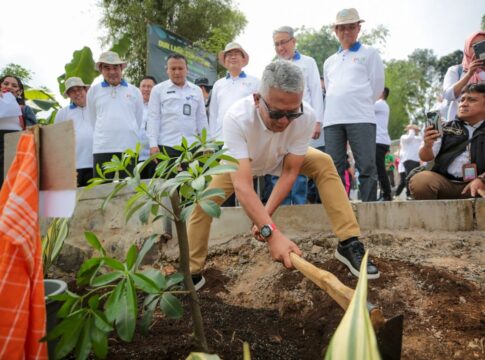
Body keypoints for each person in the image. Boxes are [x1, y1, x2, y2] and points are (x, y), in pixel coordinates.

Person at [187, 61, 379, 290]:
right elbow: (244, 187)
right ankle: (191, 272)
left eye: (292, 113)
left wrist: (264, 218)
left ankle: (348, 243)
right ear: (258, 99)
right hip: (242, 162)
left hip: (280, 156)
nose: (285, 121)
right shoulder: (237, 118)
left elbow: (290, 171)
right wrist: (272, 234)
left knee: (323, 163)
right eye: (277, 113)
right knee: (203, 201)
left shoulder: (306, 116)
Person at [323, 8, 385, 202]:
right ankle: (341, 211)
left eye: (351, 27)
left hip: (360, 116)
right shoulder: (329, 61)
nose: (346, 32)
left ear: (359, 28)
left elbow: (377, 87)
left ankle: (368, 211)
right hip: (332, 119)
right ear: (335, 31)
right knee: (334, 168)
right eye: (342, 28)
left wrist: (358, 102)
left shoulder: (370, 53)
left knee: (366, 166)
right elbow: (330, 88)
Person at [270, 26, 325, 205]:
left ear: (294, 41)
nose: (280, 48)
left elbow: (316, 91)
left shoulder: (308, 62)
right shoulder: (273, 67)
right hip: (279, 122)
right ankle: (280, 206)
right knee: (278, 163)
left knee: (298, 163)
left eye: (283, 42)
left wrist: (318, 121)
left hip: (302, 120)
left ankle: (299, 205)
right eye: (276, 44)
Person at [410, 83, 485, 199]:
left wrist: (481, 179)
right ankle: (434, 217)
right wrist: (427, 145)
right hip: (446, 183)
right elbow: (425, 157)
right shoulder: (445, 128)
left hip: (479, 186)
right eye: (462, 100)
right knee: (421, 181)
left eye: (471, 100)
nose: (463, 104)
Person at [87, 51, 144, 177]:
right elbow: (92, 119)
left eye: (115, 67)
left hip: (129, 148)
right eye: (107, 68)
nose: (112, 72)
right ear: (101, 70)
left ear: (121, 68)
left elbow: (138, 119)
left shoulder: (134, 91)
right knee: (101, 190)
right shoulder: (93, 91)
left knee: (130, 190)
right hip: (102, 147)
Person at [147, 53, 208, 160]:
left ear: (187, 69)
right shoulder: (158, 90)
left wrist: (206, 143)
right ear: (167, 70)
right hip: (166, 146)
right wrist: (153, 144)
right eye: (173, 68)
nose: (177, 72)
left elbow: (201, 119)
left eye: (180, 68)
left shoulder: (196, 90)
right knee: (167, 177)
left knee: (192, 177)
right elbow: (153, 118)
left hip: (192, 147)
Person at [209, 42, 259, 142]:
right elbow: (213, 113)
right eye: (229, 55)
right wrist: (212, 137)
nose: (233, 57)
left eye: (236, 54)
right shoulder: (218, 84)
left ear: (243, 59)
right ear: (225, 60)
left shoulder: (255, 82)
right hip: (221, 138)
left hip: (246, 137)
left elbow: (259, 110)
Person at [54, 77, 93, 187]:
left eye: (79, 89)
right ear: (69, 95)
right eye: (72, 91)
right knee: (75, 200)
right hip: (74, 165)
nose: (77, 93)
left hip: (95, 162)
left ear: (85, 90)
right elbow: (57, 139)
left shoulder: (96, 108)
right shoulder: (62, 113)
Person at [442, 31, 485, 122]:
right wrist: (469, 74)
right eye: (474, 45)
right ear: (466, 49)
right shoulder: (456, 70)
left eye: (483, 44)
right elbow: (448, 95)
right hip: (460, 129)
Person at [394, 124, 422, 199]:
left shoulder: (418, 138)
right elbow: (410, 138)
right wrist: (411, 129)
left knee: (416, 177)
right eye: (411, 129)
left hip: (417, 160)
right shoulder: (404, 137)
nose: (413, 130)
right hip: (408, 160)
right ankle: (408, 194)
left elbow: (422, 140)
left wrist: (417, 129)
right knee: (409, 177)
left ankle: (415, 193)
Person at [375, 87, 392, 200]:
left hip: (379, 141)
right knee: (378, 169)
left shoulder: (380, 103)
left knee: (380, 169)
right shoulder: (382, 104)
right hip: (380, 141)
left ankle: (387, 194)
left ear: (382, 94)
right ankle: (384, 193)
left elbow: (364, 106)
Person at [139, 75, 157, 179]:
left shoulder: (160, 107)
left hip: (153, 157)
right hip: (136, 156)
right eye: (143, 86)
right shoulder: (133, 106)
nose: (146, 89)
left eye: (149, 87)